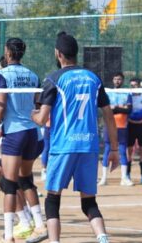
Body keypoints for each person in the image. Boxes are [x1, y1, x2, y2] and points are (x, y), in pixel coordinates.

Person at [32, 31, 119, 243]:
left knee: (52, 199)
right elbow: (108, 115)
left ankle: (55, 241)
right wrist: (114, 149)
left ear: (58, 53)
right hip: (88, 146)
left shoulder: (54, 79)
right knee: (88, 202)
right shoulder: (93, 78)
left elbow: (42, 119)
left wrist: (30, 113)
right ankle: (103, 239)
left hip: (64, 146)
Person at [0, 38, 47, 243]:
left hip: (15, 132)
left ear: (8, 52)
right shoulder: (33, 75)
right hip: (32, 132)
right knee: (25, 180)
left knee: (8, 184)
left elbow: (0, 106)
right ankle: (40, 225)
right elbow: (37, 105)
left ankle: (9, 236)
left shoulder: (2, 74)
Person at [99, 72, 133, 186]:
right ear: (113, 80)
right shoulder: (108, 92)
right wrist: (120, 108)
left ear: (122, 80)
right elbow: (106, 110)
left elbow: (128, 110)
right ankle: (104, 178)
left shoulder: (127, 93)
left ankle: (124, 178)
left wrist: (116, 108)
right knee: (107, 150)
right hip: (109, 125)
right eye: (115, 79)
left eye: (119, 79)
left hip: (122, 126)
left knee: (123, 151)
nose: (117, 81)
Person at [126, 77, 142, 184]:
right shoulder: (128, 95)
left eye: (135, 85)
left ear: (139, 85)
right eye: (132, 85)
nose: (134, 87)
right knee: (129, 153)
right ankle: (127, 175)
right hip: (130, 126)